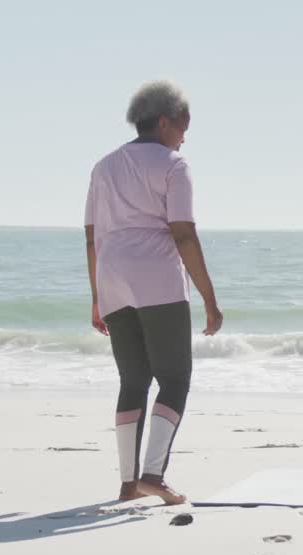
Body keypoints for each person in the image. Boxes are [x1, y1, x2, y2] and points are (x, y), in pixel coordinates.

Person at [84, 80, 223, 505]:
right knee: (176, 378)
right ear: (164, 121)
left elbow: (92, 236)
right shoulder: (173, 165)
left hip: (112, 276)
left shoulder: (104, 166)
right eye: (183, 124)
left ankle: (128, 483)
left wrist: (96, 296)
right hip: (157, 277)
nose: (185, 134)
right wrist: (209, 299)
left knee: (133, 380)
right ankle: (154, 475)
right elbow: (182, 233)